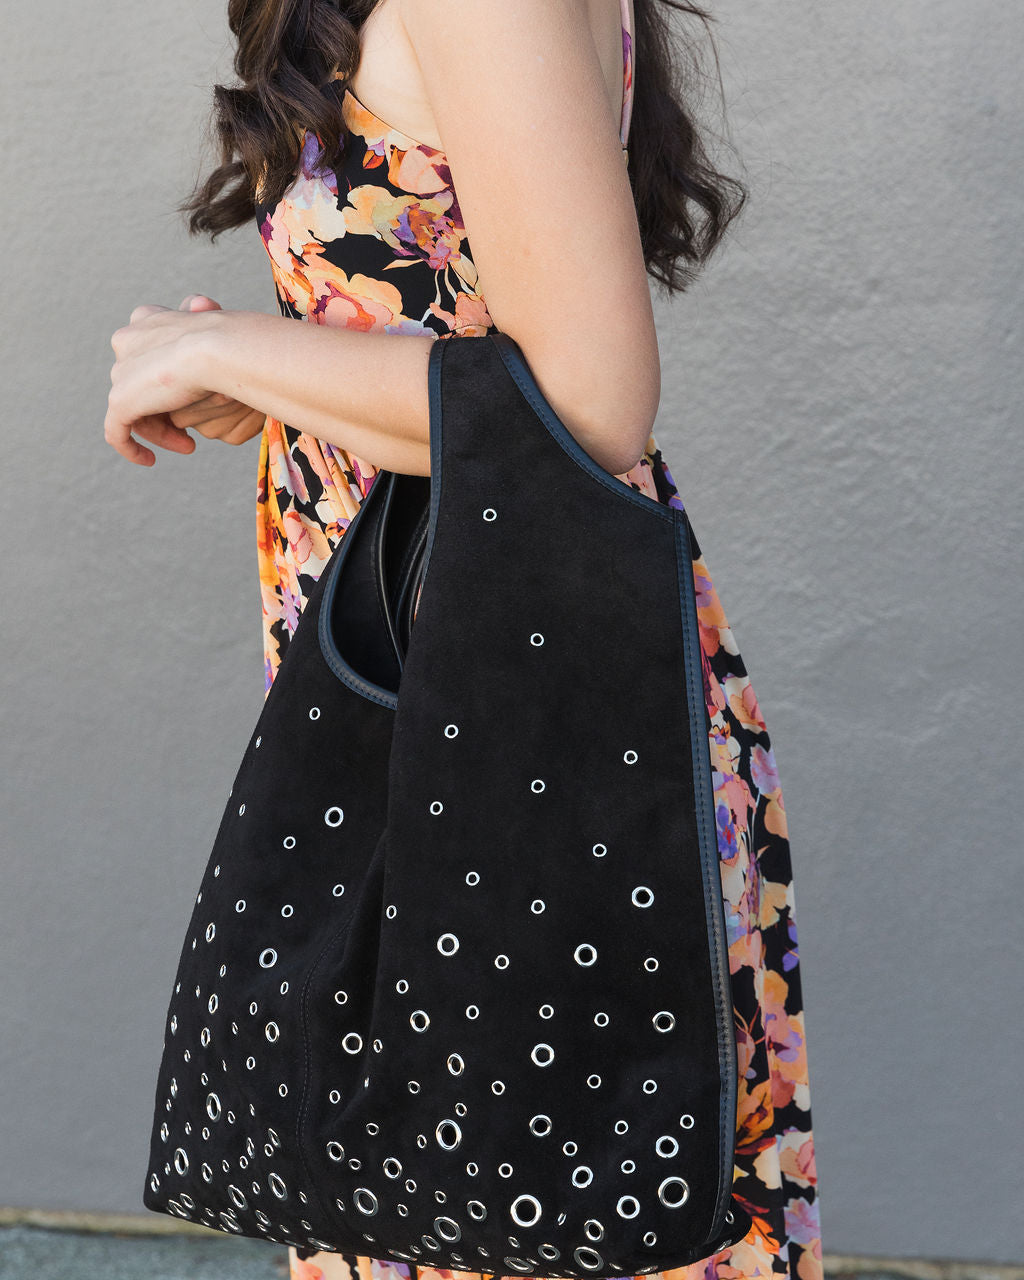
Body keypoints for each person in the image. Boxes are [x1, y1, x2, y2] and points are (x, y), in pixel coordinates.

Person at [106, 1, 823, 1276]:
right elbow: (462, 340)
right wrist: (274, 374)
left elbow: (587, 403)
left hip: (512, 728)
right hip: (439, 707)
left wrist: (227, 340)